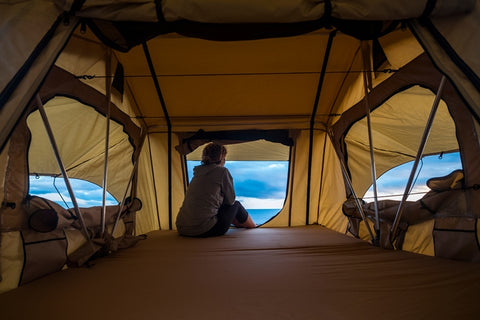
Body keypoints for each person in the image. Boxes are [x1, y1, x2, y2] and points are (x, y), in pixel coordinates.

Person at [176, 143, 256, 237]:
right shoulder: (222, 171)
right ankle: (253, 227)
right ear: (222, 158)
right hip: (204, 230)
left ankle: (243, 225)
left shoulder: (197, 173)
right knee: (236, 205)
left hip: (182, 228)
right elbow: (230, 201)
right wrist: (221, 198)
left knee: (221, 209)